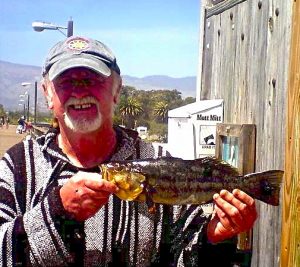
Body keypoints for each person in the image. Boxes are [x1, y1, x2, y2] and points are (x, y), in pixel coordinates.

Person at [0, 36, 257, 267]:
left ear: (117, 90)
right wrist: (57, 211)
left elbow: (185, 254)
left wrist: (215, 237)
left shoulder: (161, 164)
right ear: (47, 94)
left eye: (92, 79)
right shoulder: (17, 167)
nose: (79, 90)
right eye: (66, 81)